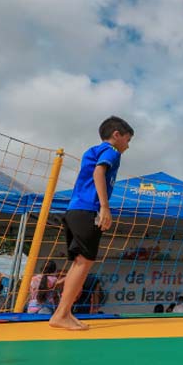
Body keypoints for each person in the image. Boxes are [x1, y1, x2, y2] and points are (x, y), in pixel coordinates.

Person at [49, 116, 133, 330]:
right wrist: (104, 207)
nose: (128, 145)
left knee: (79, 261)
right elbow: (99, 172)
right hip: (88, 209)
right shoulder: (111, 152)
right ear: (116, 135)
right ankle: (60, 314)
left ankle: (64, 313)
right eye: (127, 139)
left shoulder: (92, 150)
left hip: (74, 209)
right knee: (85, 261)